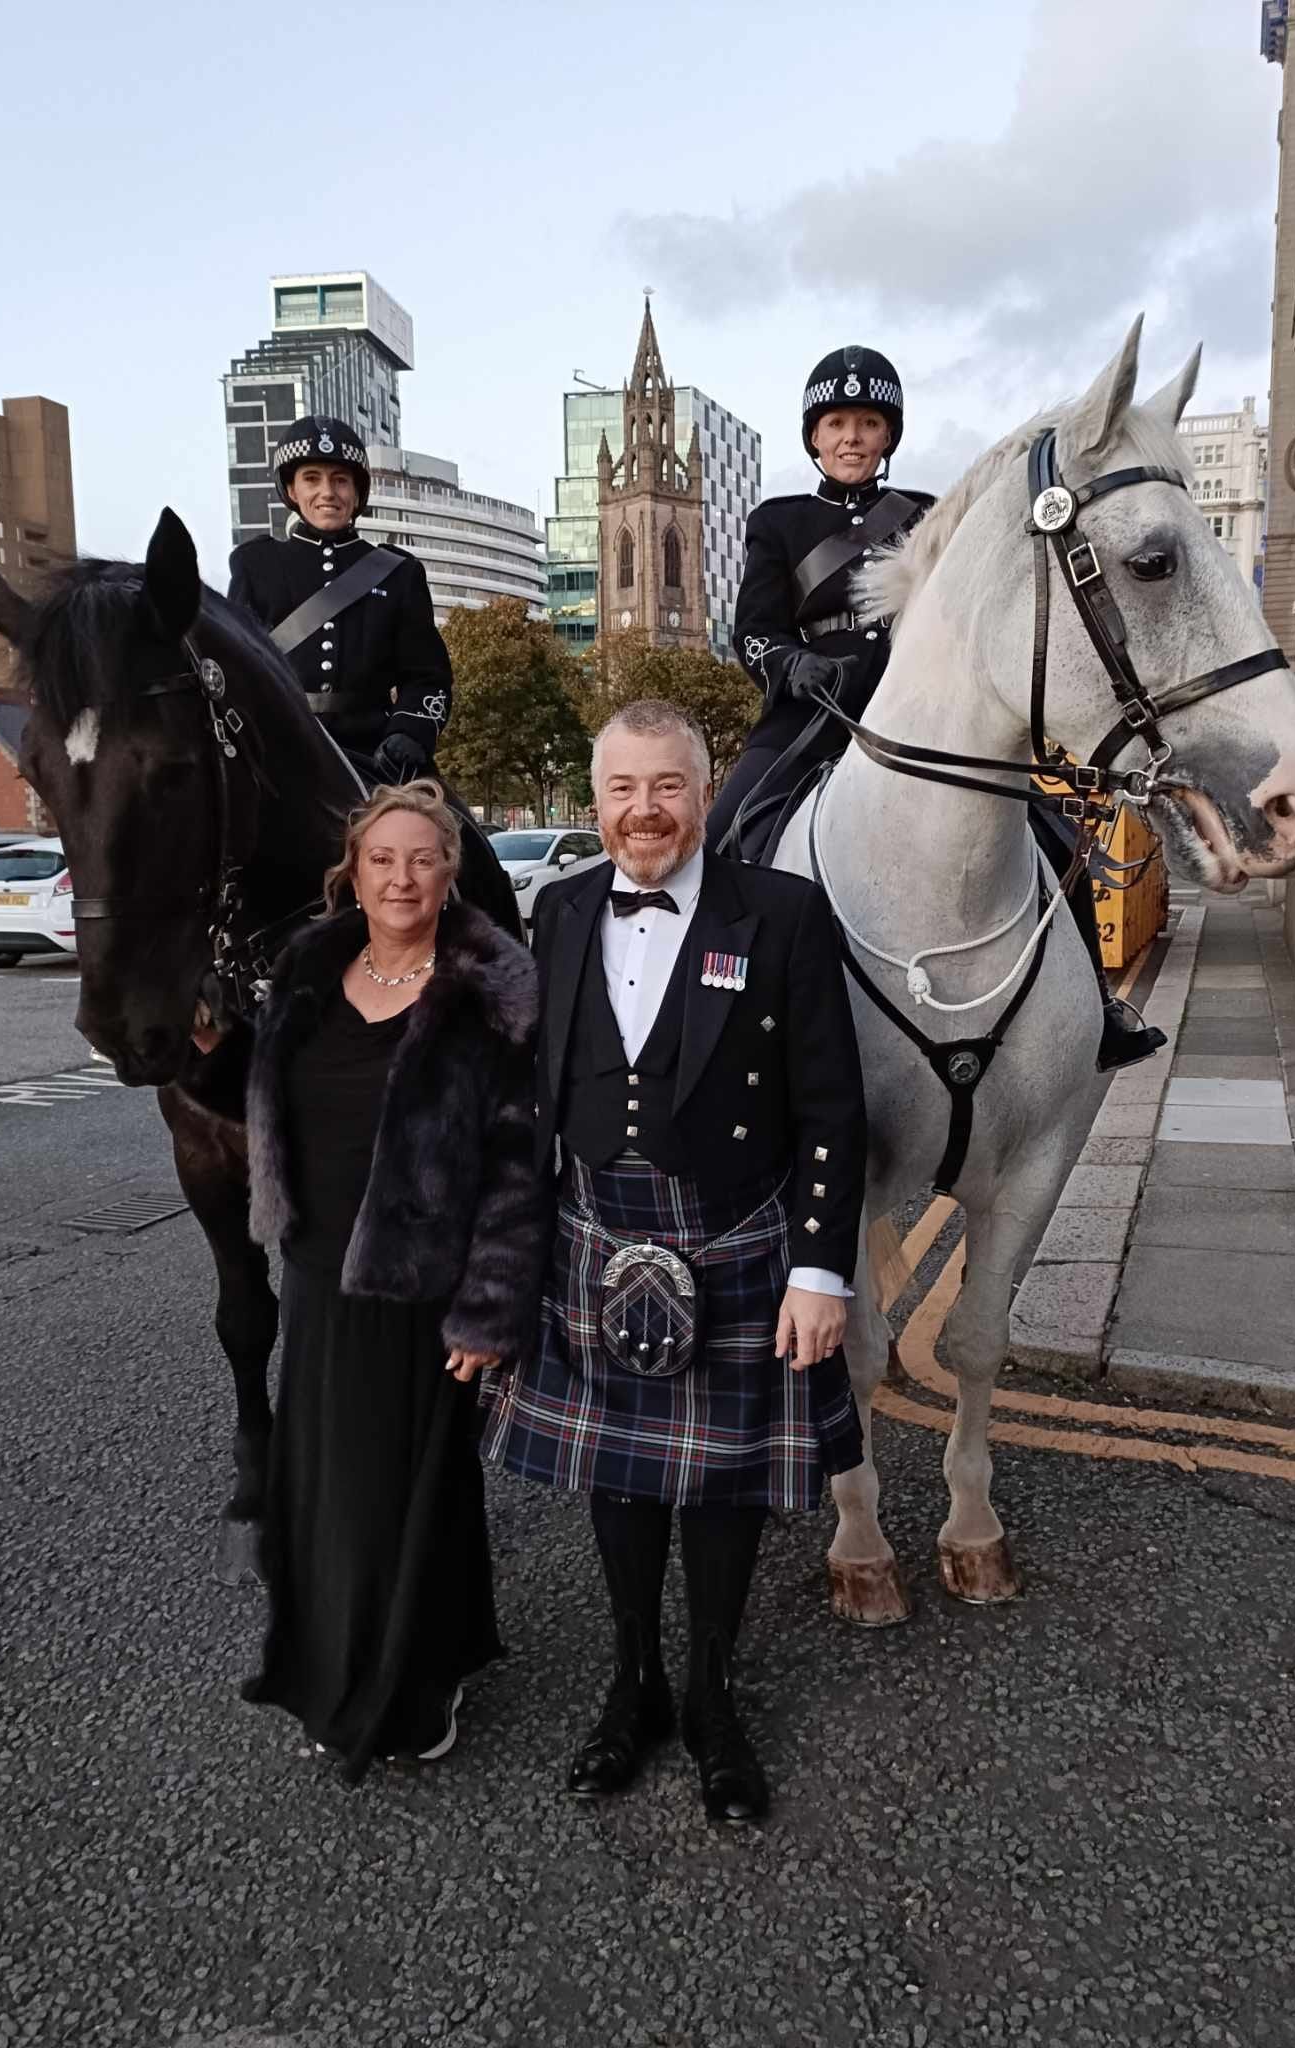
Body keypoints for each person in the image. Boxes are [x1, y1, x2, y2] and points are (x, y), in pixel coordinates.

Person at [481, 700, 867, 1825]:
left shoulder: (782, 912)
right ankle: (632, 1679)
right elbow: (527, 1091)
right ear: (594, 799)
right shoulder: (554, 911)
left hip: (737, 1235)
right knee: (619, 1475)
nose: (643, 810)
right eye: (620, 789)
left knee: (726, 1479)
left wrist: (819, 1270)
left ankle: (709, 1693)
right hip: (596, 1233)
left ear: (705, 793)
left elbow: (832, 1105)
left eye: (666, 786)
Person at [707, 347, 1164, 1073]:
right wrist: (789, 662)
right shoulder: (778, 521)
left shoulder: (925, 516)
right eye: (835, 423)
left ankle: (1098, 1004)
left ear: (887, 435)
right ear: (814, 437)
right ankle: (713, 1008)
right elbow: (754, 630)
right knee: (726, 831)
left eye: (867, 422)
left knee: (1045, 830)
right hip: (810, 717)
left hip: (919, 712)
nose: (851, 437)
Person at [242, 780, 544, 1783]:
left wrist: (490, 1303)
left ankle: (421, 1679)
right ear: (354, 871)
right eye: (383, 859)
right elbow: (263, 1096)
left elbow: (515, 1157)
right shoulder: (310, 962)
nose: (402, 876)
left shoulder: (491, 980)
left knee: (410, 1492)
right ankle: (329, 1665)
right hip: (319, 1270)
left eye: (422, 857)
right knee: (324, 1490)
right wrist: (202, 1056)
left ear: (450, 869)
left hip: (427, 1285)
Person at [228, 416, 519, 933]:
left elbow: (427, 677)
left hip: (376, 753)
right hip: (279, 754)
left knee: (470, 846)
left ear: (358, 492)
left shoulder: (397, 571)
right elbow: (236, 672)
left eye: (341, 480)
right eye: (313, 479)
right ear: (291, 489)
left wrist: (409, 731)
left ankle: (504, 965)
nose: (327, 493)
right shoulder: (256, 565)